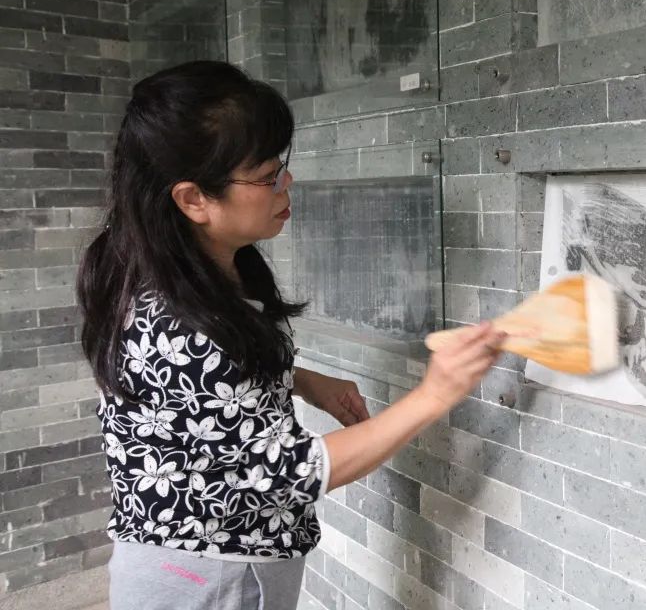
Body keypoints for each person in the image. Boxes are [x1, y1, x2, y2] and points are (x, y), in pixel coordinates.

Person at [77, 61, 505, 609]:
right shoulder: (174, 322)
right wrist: (434, 395)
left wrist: (300, 379)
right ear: (193, 199)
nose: (286, 183)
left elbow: (197, 395)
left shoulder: (159, 269)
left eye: (281, 167)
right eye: (265, 176)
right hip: (210, 576)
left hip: (186, 555)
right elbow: (285, 474)